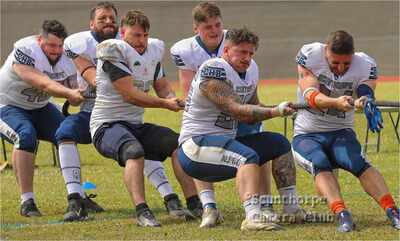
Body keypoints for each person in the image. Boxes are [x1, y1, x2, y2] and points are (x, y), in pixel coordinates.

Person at [57, 1, 189, 222]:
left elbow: (159, 84)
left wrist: (171, 98)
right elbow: (100, 82)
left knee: (151, 143)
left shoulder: (142, 47)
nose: (108, 21)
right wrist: (131, 86)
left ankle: (173, 197)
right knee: (66, 133)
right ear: (92, 23)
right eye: (102, 18)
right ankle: (75, 198)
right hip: (95, 111)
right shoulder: (86, 45)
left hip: (130, 113)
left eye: (111, 18)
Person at [177, 27, 305, 231]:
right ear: (226, 51)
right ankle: (252, 216)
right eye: (242, 52)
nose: (247, 58)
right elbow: (236, 110)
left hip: (226, 142)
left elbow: (253, 106)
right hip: (196, 147)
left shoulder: (251, 68)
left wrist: (283, 108)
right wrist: (275, 112)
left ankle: (291, 208)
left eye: (251, 53)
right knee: (246, 156)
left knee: (278, 144)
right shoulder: (214, 68)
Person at [90, 10, 201, 227]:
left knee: (180, 146)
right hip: (106, 126)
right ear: (123, 33)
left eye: (144, 35)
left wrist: (173, 99)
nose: (140, 41)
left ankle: (195, 203)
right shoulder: (113, 50)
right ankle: (142, 211)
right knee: (134, 151)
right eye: (135, 35)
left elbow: (161, 87)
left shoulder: (153, 51)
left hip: (134, 125)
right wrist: (164, 104)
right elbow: (129, 95)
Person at [170, 2, 274, 227]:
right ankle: (210, 207)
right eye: (208, 27)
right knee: (211, 142)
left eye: (217, 25)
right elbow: (189, 89)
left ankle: (266, 205)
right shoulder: (187, 50)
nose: (215, 31)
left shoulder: (236, 42)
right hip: (211, 110)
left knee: (267, 144)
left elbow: (249, 93)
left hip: (237, 109)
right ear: (196, 28)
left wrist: (264, 112)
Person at [292, 30, 400, 232]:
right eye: (335, 63)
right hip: (308, 133)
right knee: (319, 162)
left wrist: (366, 101)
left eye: (346, 64)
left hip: (341, 131)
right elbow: (310, 95)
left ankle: (392, 210)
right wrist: (336, 102)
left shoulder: (364, 63)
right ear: (325, 51)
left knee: (357, 162)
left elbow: (366, 90)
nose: (340, 68)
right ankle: (342, 213)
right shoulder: (311, 55)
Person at [0, 20, 84, 217]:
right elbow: (43, 83)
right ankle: (27, 201)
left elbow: (76, 84)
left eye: (60, 46)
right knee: (26, 135)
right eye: (51, 45)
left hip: (40, 106)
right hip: (7, 105)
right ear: (40, 41)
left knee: (67, 133)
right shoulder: (25, 50)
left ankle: (77, 195)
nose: (56, 51)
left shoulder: (68, 55)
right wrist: (69, 93)